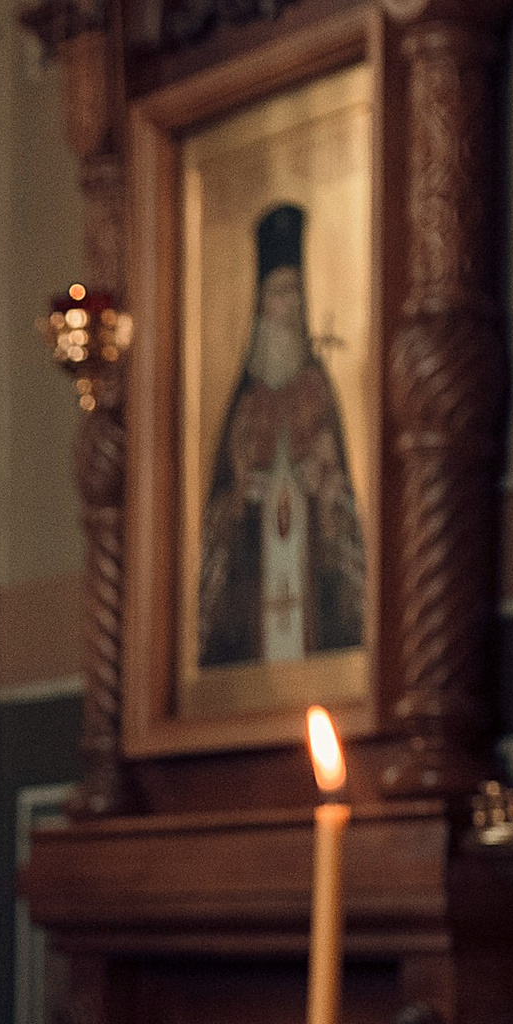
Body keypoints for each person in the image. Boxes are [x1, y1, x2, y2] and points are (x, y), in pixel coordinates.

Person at [196, 197, 366, 670]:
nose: (288, 305)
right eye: (277, 292)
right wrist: (242, 494)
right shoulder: (243, 402)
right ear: (260, 303)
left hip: (311, 560)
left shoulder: (318, 388)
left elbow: (343, 486)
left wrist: (323, 482)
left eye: (295, 292)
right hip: (255, 562)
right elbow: (220, 499)